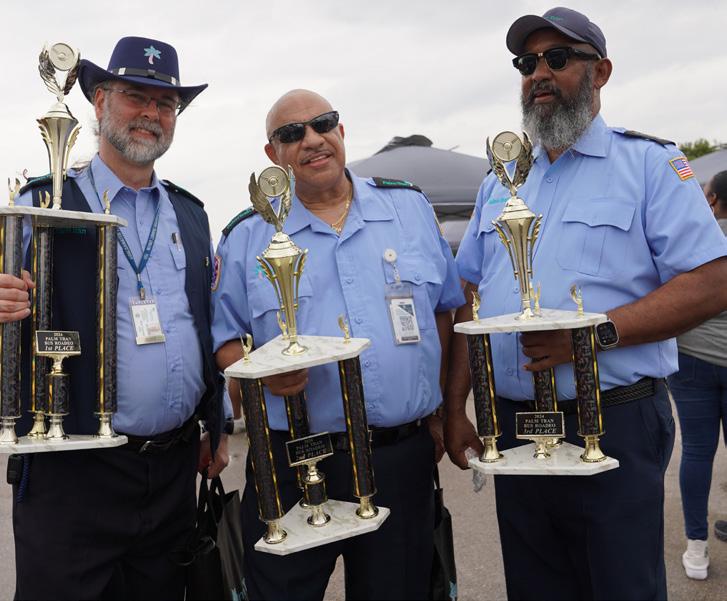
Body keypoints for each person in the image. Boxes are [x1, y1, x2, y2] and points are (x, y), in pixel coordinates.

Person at [444, 7, 727, 600]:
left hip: (614, 421)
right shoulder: (502, 180)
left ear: (600, 72)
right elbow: (470, 295)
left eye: (556, 58)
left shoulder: (647, 165)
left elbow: (712, 279)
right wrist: (456, 407)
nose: (538, 74)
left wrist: (592, 335)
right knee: (535, 587)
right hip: (516, 427)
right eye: (526, 64)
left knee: (621, 586)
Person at [1, 36, 229, 600]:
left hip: (173, 471)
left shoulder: (190, 215)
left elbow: (203, 324)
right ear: (99, 101)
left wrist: (216, 423)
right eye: (136, 96)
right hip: (72, 472)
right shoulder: (41, 203)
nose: (152, 113)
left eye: (166, 103)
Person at [212, 89, 464, 600]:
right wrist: (262, 374)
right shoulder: (246, 236)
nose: (311, 140)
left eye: (322, 124)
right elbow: (224, 342)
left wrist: (441, 410)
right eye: (291, 134)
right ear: (273, 154)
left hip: (398, 457)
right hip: (292, 461)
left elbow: (445, 310)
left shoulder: (408, 208)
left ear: (341, 132)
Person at [668, 170, 727, 580]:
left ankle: (696, 547)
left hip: (692, 359)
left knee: (697, 451)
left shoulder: (693, 236)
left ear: (713, 200)